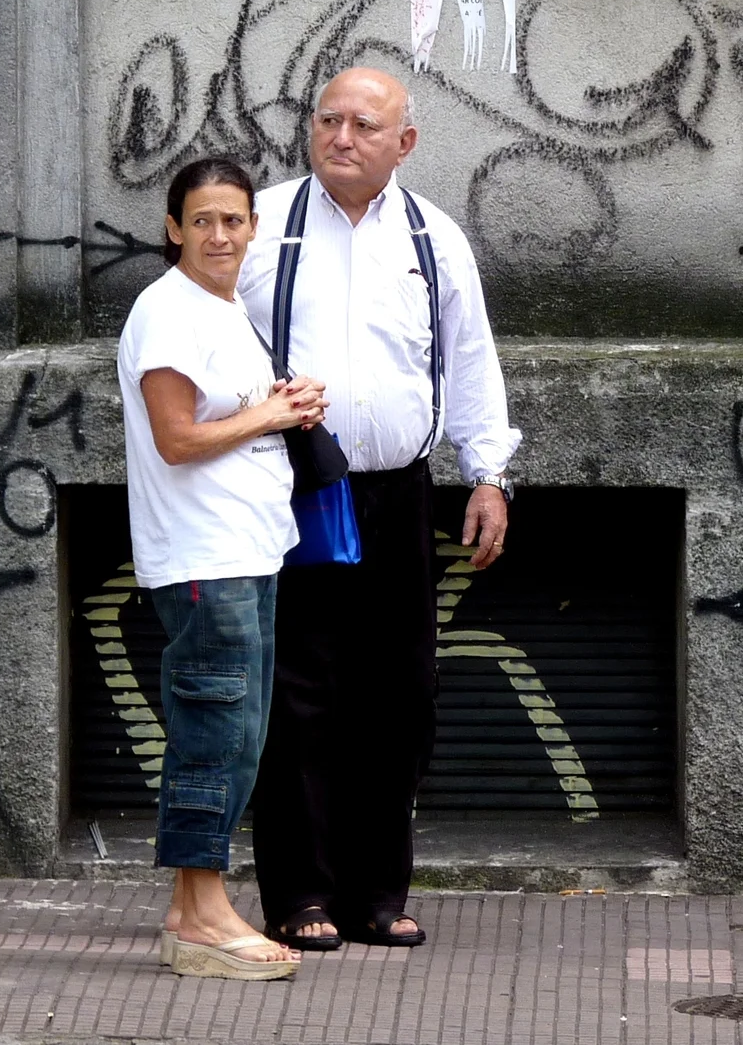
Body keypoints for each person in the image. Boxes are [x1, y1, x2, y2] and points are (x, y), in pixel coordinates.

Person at [239, 67, 520, 951]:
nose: (342, 136)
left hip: (399, 492)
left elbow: (470, 361)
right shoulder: (263, 226)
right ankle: (300, 893)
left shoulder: (432, 238)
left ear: (405, 142)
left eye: (365, 124)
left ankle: (375, 891)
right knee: (297, 693)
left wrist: (488, 474)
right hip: (292, 488)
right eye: (329, 119)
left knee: (398, 693)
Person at [117, 156, 330, 981]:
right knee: (215, 733)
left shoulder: (222, 307)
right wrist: (269, 412)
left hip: (244, 548)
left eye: (233, 220)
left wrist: (283, 406)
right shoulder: (168, 310)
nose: (218, 235)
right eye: (201, 220)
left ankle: (191, 908)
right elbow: (176, 437)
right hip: (206, 556)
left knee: (238, 732)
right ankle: (205, 913)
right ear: (174, 228)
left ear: (253, 227)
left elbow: (228, 415)